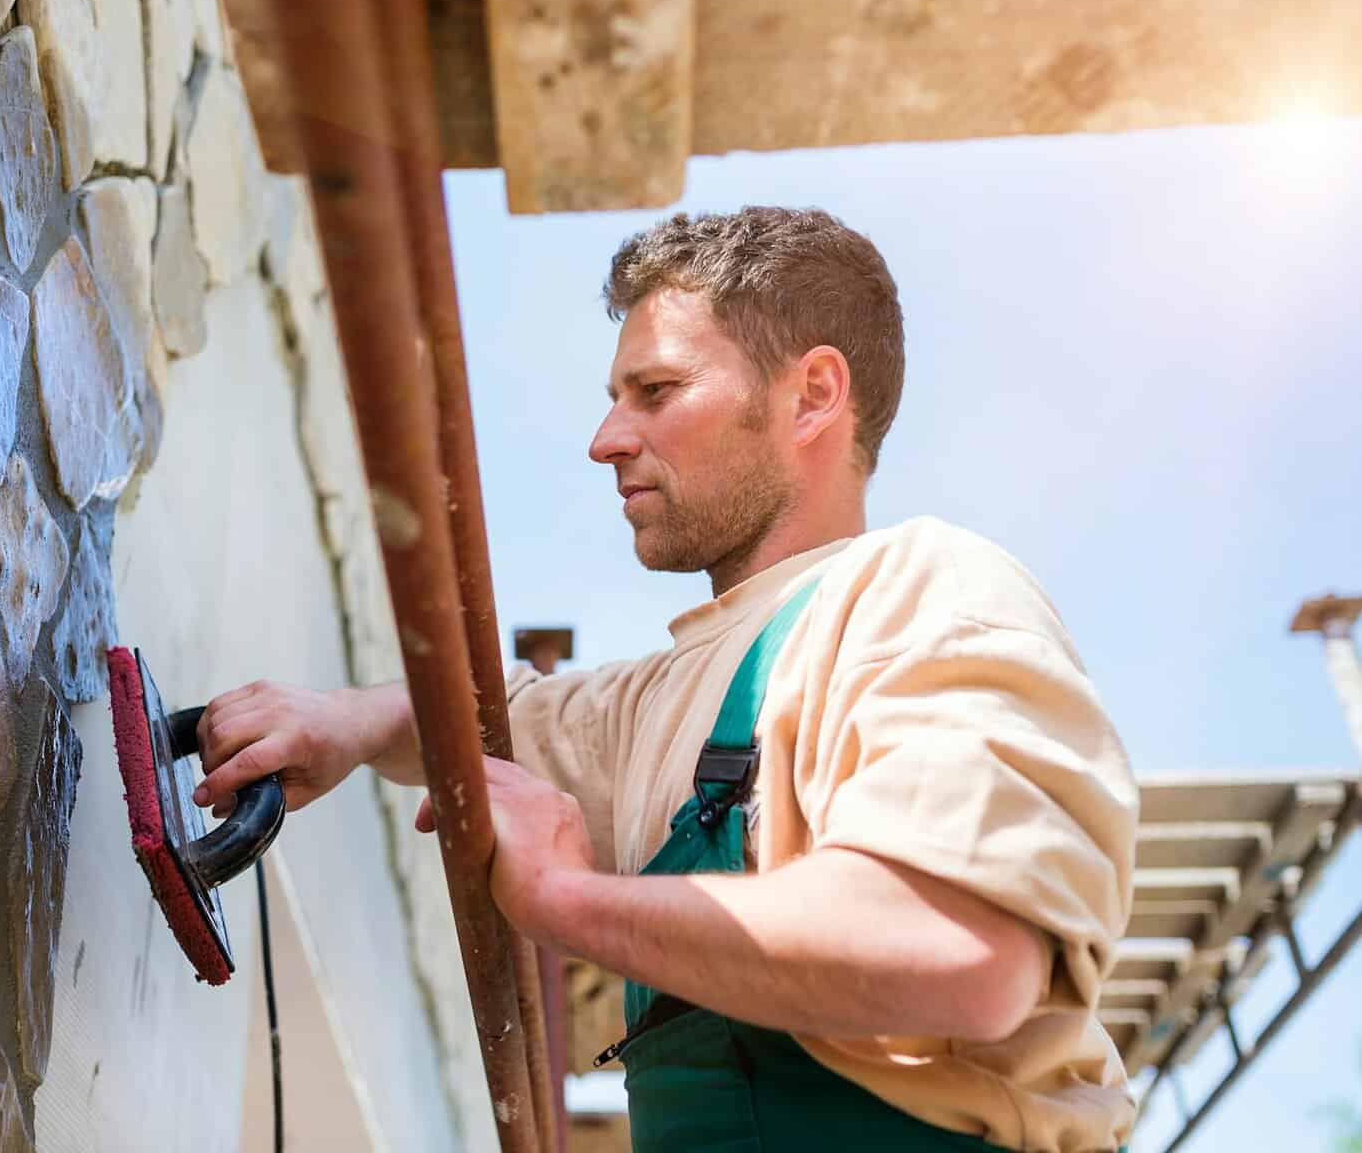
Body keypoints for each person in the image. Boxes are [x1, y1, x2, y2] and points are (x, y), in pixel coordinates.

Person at [191, 207, 1138, 1152]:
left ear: (811, 394)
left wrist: (564, 900)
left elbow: (953, 952)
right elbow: (495, 719)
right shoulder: (658, 702)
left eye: (656, 389)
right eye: (615, 396)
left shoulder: (916, 591)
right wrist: (339, 722)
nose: (606, 438)